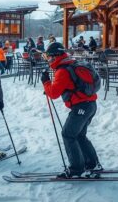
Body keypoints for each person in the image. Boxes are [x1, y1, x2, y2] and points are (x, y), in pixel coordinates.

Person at [41, 42, 102, 178]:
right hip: (90, 105)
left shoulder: (62, 70)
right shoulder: (70, 63)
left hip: (81, 107)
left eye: (49, 57)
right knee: (79, 135)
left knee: (68, 134)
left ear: (56, 56)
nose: (48, 59)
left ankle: (76, 169)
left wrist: (45, 81)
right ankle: (92, 164)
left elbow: (54, 93)